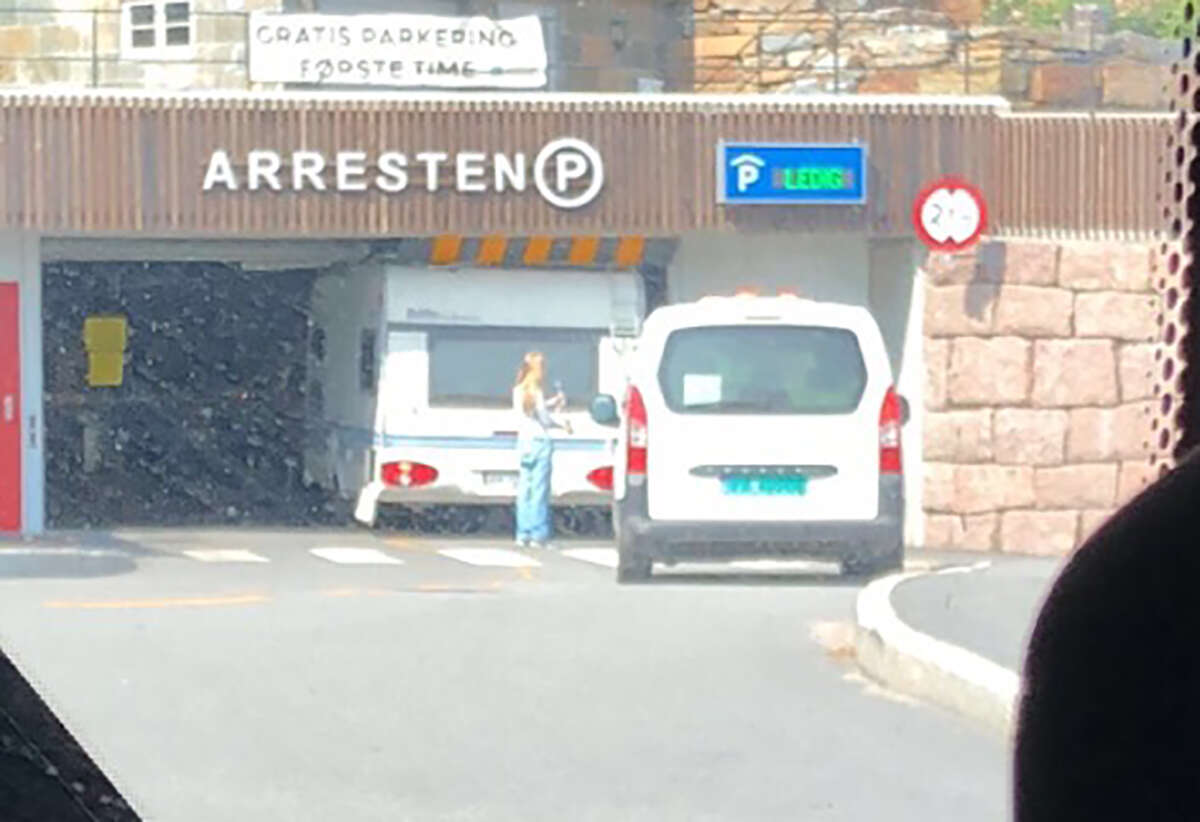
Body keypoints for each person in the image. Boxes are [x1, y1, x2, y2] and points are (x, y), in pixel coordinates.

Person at [512, 351, 571, 549]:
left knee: (524, 490)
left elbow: (532, 411)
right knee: (539, 491)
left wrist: (551, 403)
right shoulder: (535, 390)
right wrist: (563, 424)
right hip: (540, 442)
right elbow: (544, 419)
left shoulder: (518, 390)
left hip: (524, 442)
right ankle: (539, 535)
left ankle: (523, 533)